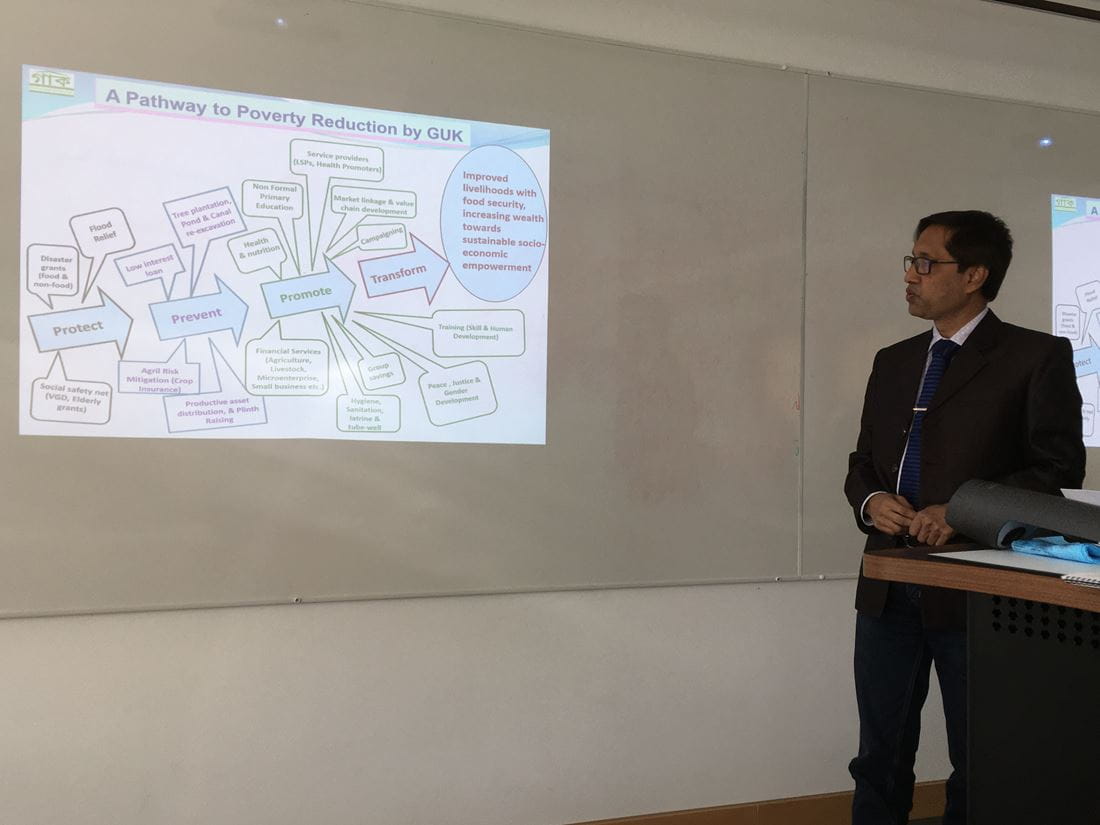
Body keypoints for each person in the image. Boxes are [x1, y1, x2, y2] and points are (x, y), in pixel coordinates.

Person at [844, 210, 1085, 825]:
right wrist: (872, 502)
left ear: (975, 274)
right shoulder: (894, 360)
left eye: (927, 263)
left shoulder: (1034, 356)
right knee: (878, 754)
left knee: (979, 759)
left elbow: (1056, 471)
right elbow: (864, 461)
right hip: (890, 579)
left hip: (979, 588)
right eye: (911, 261)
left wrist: (963, 511)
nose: (911, 275)